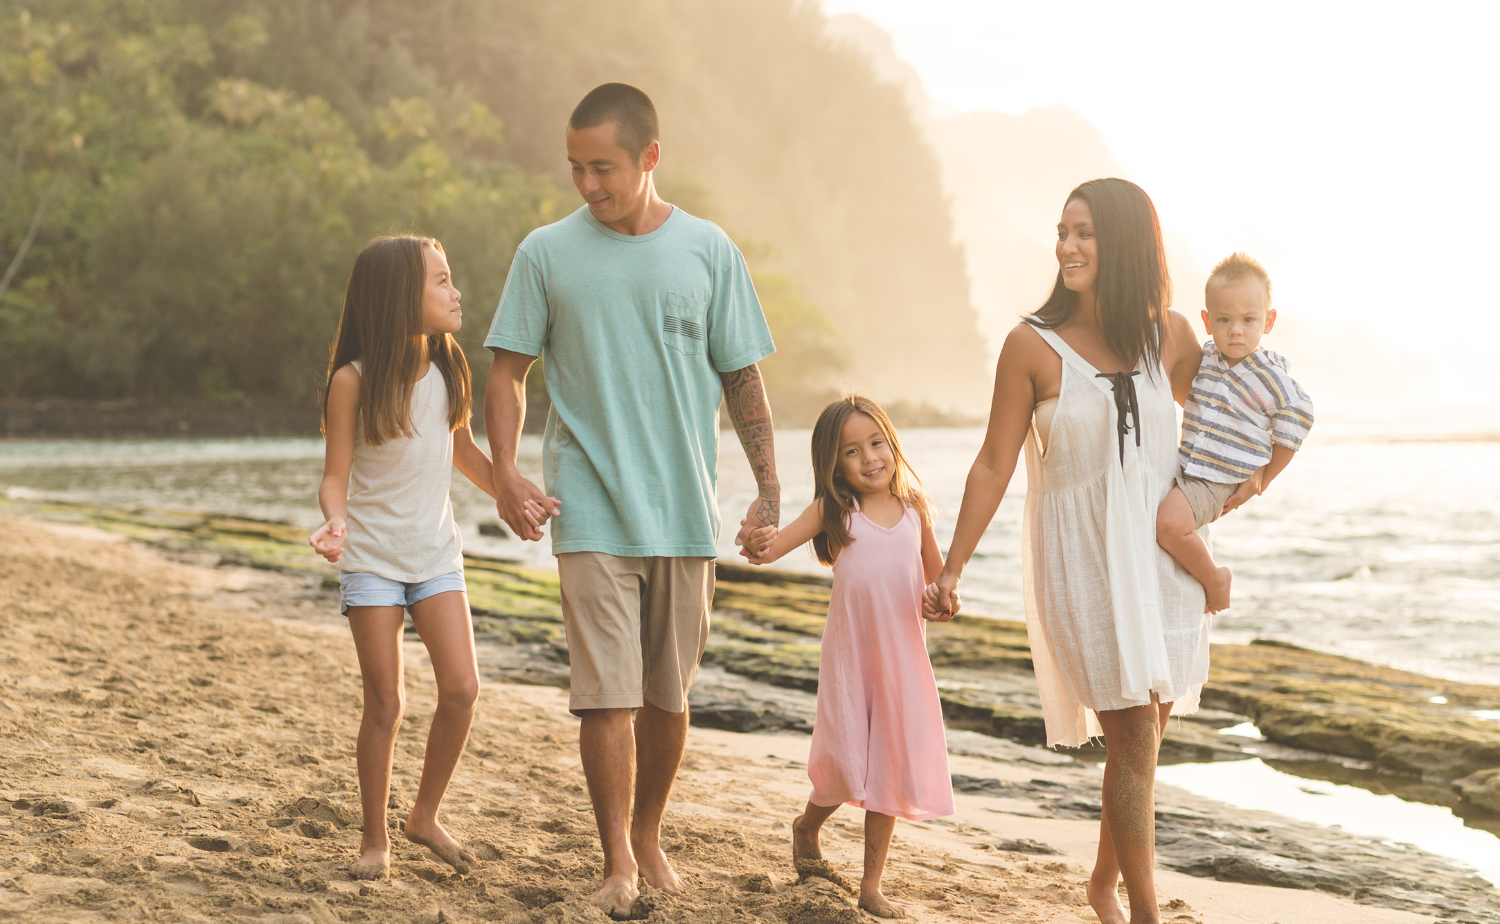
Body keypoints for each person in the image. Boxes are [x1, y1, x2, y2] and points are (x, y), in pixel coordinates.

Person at [484, 83, 779, 917]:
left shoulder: (709, 250)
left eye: (603, 167)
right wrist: (506, 470)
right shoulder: (545, 252)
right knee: (606, 694)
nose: (587, 185)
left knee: (667, 697)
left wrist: (769, 488)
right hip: (589, 507)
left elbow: (743, 376)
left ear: (650, 157)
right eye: (575, 168)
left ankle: (649, 830)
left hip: (685, 509)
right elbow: (507, 370)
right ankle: (616, 857)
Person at [923, 178, 1208, 924]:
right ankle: (1142, 913)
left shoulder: (1172, 336)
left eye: (1084, 233)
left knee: (1146, 736)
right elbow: (992, 462)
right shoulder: (1031, 345)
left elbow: (1224, 426)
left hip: (1165, 560)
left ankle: (1102, 884)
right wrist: (952, 565)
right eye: (1063, 232)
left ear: (1124, 244)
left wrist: (1253, 473)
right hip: (1083, 561)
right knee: (1135, 731)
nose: (1068, 247)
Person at [308, 235, 497, 880]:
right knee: (385, 704)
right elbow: (337, 475)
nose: (455, 291)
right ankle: (374, 841)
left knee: (464, 689)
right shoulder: (351, 381)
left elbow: (465, 454)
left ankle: (424, 814)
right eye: (441, 281)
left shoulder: (449, 367)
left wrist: (515, 496)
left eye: (451, 278)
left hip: (436, 553)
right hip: (371, 557)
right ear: (398, 298)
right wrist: (335, 521)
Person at [744, 395, 953, 919]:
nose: (869, 458)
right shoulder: (835, 511)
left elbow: (937, 581)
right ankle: (807, 825)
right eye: (852, 451)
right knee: (843, 760)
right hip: (851, 660)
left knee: (887, 765)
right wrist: (756, 539)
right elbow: (771, 550)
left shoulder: (915, 508)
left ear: (892, 443)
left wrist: (942, 599)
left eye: (876, 444)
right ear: (833, 465)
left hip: (901, 662)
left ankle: (871, 884)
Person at [1155, 253, 1314, 612]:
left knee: (1168, 526)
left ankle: (1215, 579)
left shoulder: (1271, 377)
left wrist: (1263, 476)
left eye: (1248, 319)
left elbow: (1299, 418)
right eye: (1224, 320)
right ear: (1207, 321)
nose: (1236, 330)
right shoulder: (1207, 358)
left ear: (1268, 321)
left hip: (1219, 478)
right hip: (1191, 466)